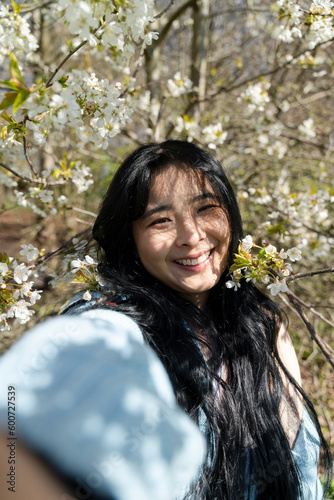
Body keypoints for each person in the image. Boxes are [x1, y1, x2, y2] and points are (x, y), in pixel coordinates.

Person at [0, 140, 331, 500]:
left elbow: (300, 471)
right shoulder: (115, 322)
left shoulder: (262, 324)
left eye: (206, 209)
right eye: (161, 220)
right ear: (131, 240)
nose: (191, 236)